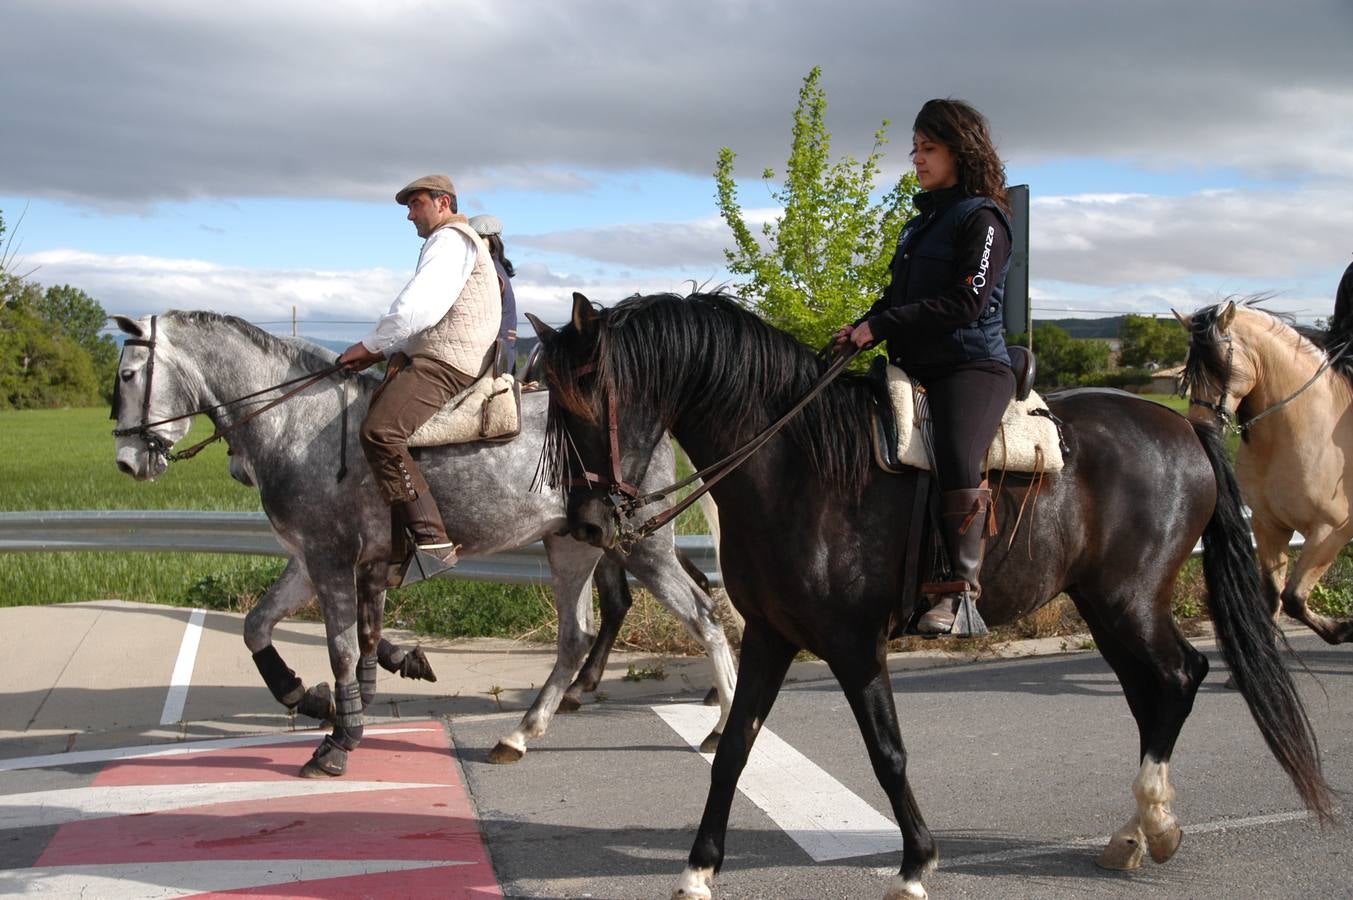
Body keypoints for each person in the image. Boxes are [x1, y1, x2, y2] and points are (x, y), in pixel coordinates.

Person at [833, 98, 1015, 636]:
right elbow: (895, 300)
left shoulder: (984, 220)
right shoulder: (920, 226)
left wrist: (883, 327)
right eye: (915, 148)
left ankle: (960, 593)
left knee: (958, 453)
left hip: (971, 367)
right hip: (913, 365)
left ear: (961, 151)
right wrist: (861, 328)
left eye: (928, 148)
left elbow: (967, 304)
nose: (917, 158)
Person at [338, 175, 502, 586]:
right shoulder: (458, 240)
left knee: (379, 431)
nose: (410, 215)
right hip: (444, 353)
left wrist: (371, 345)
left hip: (446, 360)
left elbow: (416, 309)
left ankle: (431, 542)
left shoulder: (449, 240)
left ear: (443, 203)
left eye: (416, 204)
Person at [468, 213, 518, 371]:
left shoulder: (488, 272)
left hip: (491, 356)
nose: (473, 244)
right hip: (500, 351)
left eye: (479, 238)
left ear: (492, 241)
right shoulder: (495, 267)